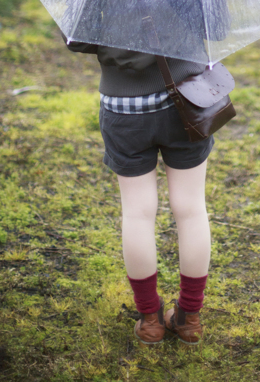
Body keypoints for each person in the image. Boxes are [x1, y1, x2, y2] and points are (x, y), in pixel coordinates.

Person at [65, 37, 213, 346]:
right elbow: (219, 25)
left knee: (137, 213)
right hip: (185, 97)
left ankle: (150, 321)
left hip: (124, 106)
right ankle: (189, 319)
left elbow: (76, 39)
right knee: (191, 209)